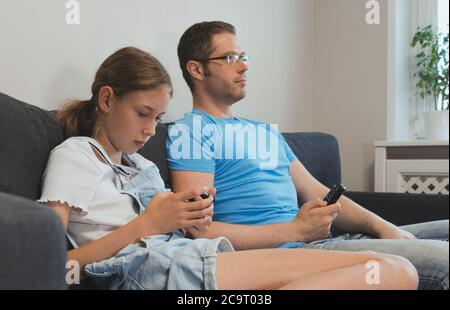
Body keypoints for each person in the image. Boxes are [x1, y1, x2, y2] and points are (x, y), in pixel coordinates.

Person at [35, 46, 418, 290]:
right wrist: (146, 225)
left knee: (397, 269)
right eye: (142, 114)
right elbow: (51, 265)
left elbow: (176, 229)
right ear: (106, 99)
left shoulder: (140, 166)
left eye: (159, 117)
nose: (151, 130)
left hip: (191, 254)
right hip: (145, 270)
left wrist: (189, 213)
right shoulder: (76, 155)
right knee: (387, 270)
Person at [166, 21, 449, 290]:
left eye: (243, 56)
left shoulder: (263, 131)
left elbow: (316, 190)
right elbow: (199, 231)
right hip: (291, 253)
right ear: (197, 70)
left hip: (324, 241)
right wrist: (296, 231)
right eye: (229, 58)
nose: (243, 66)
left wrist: (384, 227)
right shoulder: (190, 132)